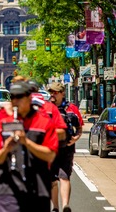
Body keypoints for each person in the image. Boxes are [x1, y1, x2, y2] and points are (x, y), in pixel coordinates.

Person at [0, 81, 58, 212]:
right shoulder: (4, 122)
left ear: (29, 97)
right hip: (8, 188)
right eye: (12, 97)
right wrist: (6, 149)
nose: (15, 101)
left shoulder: (44, 122)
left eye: (19, 96)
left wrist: (27, 142)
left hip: (37, 187)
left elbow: (50, 155)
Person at [48, 82, 83, 212]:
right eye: (51, 92)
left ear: (62, 93)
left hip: (66, 148)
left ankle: (65, 206)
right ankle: (55, 207)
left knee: (64, 176)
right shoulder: (45, 108)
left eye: (55, 92)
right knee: (52, 179)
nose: (52, 95)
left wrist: (76, 138)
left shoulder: (72, 109)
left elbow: (79, 127)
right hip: (49, 149)